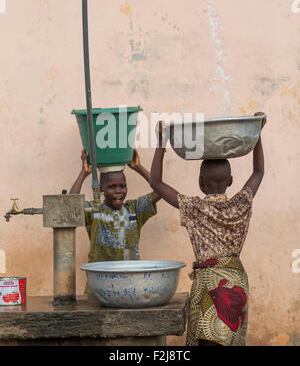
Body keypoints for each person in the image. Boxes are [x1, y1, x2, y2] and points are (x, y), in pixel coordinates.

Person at [150, 113, 266, 346]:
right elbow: (258, 172)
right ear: (231, 181)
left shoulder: (194, 207)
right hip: (236, 282)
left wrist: (162, 143)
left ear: (201, 183)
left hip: (210, 284)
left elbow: (156, 183)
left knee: (207, 340)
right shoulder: (241, 204)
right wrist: (257, 133)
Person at [70, 149, 160, 294]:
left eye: (122, 186)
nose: (118, 191)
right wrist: (84, 173)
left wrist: (138, 167)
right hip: (99, 287)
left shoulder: (135, 210)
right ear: (101, 189)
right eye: (112, 187)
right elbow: (70, 205)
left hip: (131, 287)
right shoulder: (93, 211)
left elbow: (160, 190)